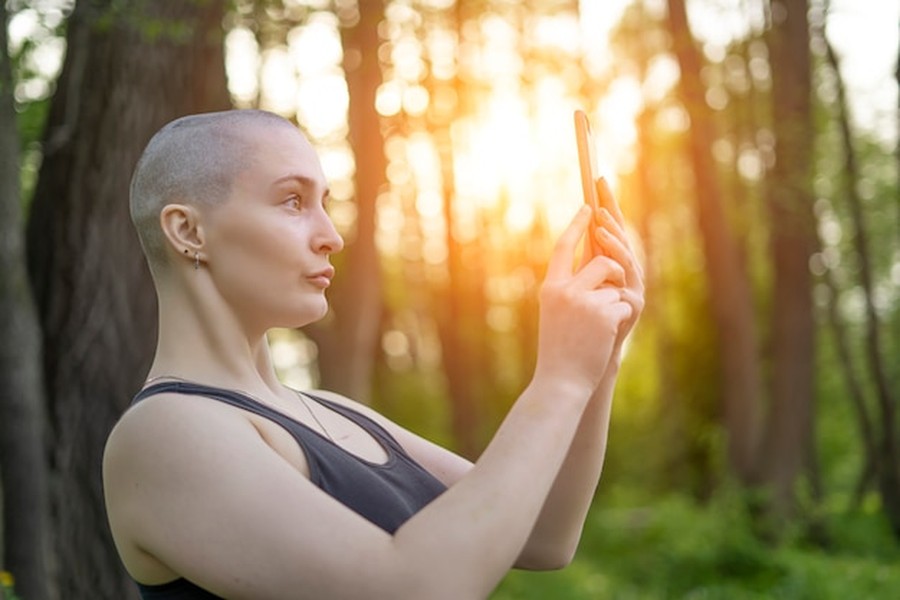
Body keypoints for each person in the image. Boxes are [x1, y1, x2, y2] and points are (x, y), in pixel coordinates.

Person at [102, 108, 644, 600]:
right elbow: (412, 589)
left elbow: (544, 534)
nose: (331, 236)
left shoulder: (333, 411)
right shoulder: (161, 434)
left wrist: (600, 358)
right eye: (293, 201)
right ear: (188, 231)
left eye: (324, 203)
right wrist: (559, 379)